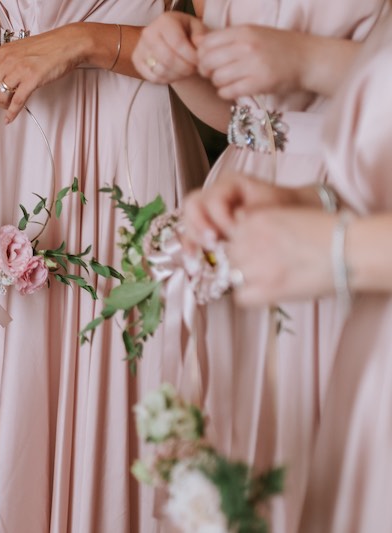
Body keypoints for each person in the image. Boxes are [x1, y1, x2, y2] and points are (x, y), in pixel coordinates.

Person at [0, 1, 209, 530]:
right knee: (21, 367)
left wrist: (84, 40)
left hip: (124, 133)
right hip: (20, 137)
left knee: (123, 370)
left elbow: (218, 48)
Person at [134, 1, 388, 530]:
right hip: (260, 199)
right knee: (240, 442)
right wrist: (180, 65)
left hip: (357, 211)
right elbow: (245, 118)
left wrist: (311, 60)